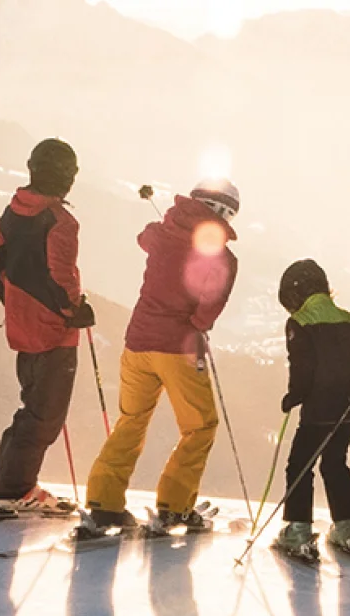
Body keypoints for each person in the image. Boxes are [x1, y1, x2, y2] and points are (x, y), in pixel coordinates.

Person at [77, 178, 241, 536]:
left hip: (136, 343)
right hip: (178, 349)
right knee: (200, 426)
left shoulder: (161, 234)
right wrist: (195, 324)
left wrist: (169, 224)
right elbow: (206, 314)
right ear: (226, 214)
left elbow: (144, 237)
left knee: (131, 420)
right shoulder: (223, 257)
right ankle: (174, 506)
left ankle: (104, 503)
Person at [0, 138, 96, 517]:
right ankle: (15, 490)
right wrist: (74, 311)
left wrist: (15, 302)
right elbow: (62, 277)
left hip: (21, 328)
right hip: (54, 334)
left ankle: (12, 486)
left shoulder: (14, 212)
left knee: (32, 409)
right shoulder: (61, 222)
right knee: (45, 416)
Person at [271, 259, 350, 562]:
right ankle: (347, 528)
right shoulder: (349, 318)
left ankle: (299, 531)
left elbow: (303, 366)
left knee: (300, 464)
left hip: (320, 406)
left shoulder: (300, 321)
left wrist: (295, 396)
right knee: (334, 462)